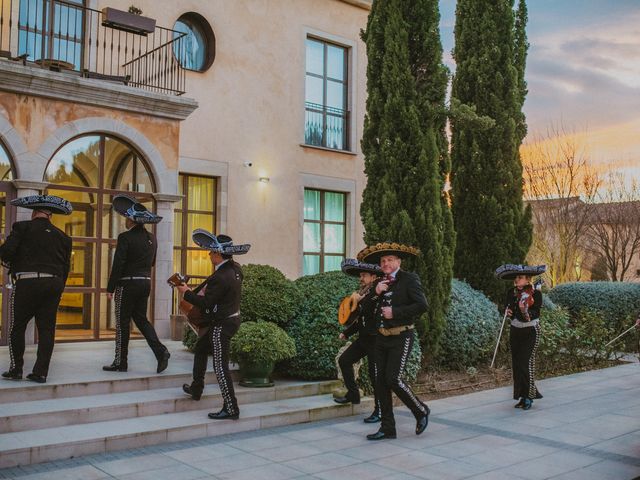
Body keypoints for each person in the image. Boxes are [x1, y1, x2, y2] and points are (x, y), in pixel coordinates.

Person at [358, 242, 430, 441]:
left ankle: (421, 410)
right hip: (381, 337)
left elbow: (422, 305)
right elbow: (363, 309)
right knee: (380, 383)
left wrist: (395, 312)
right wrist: (375, 293)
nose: (386, 263)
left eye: (390, 259)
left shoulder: (409, 279)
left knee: (393, 379)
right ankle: (388, 428)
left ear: (398, 261)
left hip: (402, 335)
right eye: (383, 261)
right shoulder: (379, 282)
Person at [177, 229, 250, 420]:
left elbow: (206, 303)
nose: (209, 255)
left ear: (218, 254)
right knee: (201, 349)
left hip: (221, 325)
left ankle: (231, 407)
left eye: (211, 252)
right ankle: (196, 387)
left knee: (220, 366)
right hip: (231, 319)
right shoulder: (236, 269)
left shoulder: (221, 276)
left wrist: (185, 291)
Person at [0, 195, 72, 383]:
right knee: (47, 329)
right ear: (50, 215)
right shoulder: (63, 236)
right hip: (54, 283)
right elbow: (66, 267)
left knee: (18, 326)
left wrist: (13, 261)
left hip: (28, 282)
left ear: (34, 212)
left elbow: (6, 252)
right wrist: (58, 286)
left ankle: (16, 369)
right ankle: (40, 373)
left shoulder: (22, 227)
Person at [103, 195, 170, 374]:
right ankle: (161, 351)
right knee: (141, 320)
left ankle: (120, 362)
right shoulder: (152, 238)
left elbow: (118, 264)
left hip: (127, 285)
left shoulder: (125, 237)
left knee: (122, 322)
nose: (125, 220)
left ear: (131, 220)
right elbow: (153, 262)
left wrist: (110, 288)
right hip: (145, 283)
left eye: (126, 217)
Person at [334, 257, 382, 424]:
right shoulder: (361, 294)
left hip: (376, 341)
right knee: (344, 360)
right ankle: (353, 394)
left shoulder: (378, 292)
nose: (361, 278)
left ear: (373, 277)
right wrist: (347, 333)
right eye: (360, 275)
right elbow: (359, 319)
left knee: (376, 377)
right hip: (364, 339)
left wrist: (359, 301)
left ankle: (380, 411)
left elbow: (371, 312)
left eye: (364, 275)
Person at [495, 264, 546, 410]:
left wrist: (526, 313)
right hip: (515, 331)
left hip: (531, 332)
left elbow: (537, 312)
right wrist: (507, 311)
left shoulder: (535, 293)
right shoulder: (511, 292)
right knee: (517, 365)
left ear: (528, 279)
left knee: (526, 364)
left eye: (520, 277)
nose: (516, 280)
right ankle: (522, 397)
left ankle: (529, 396)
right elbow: (506, 307)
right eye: (516, 277)